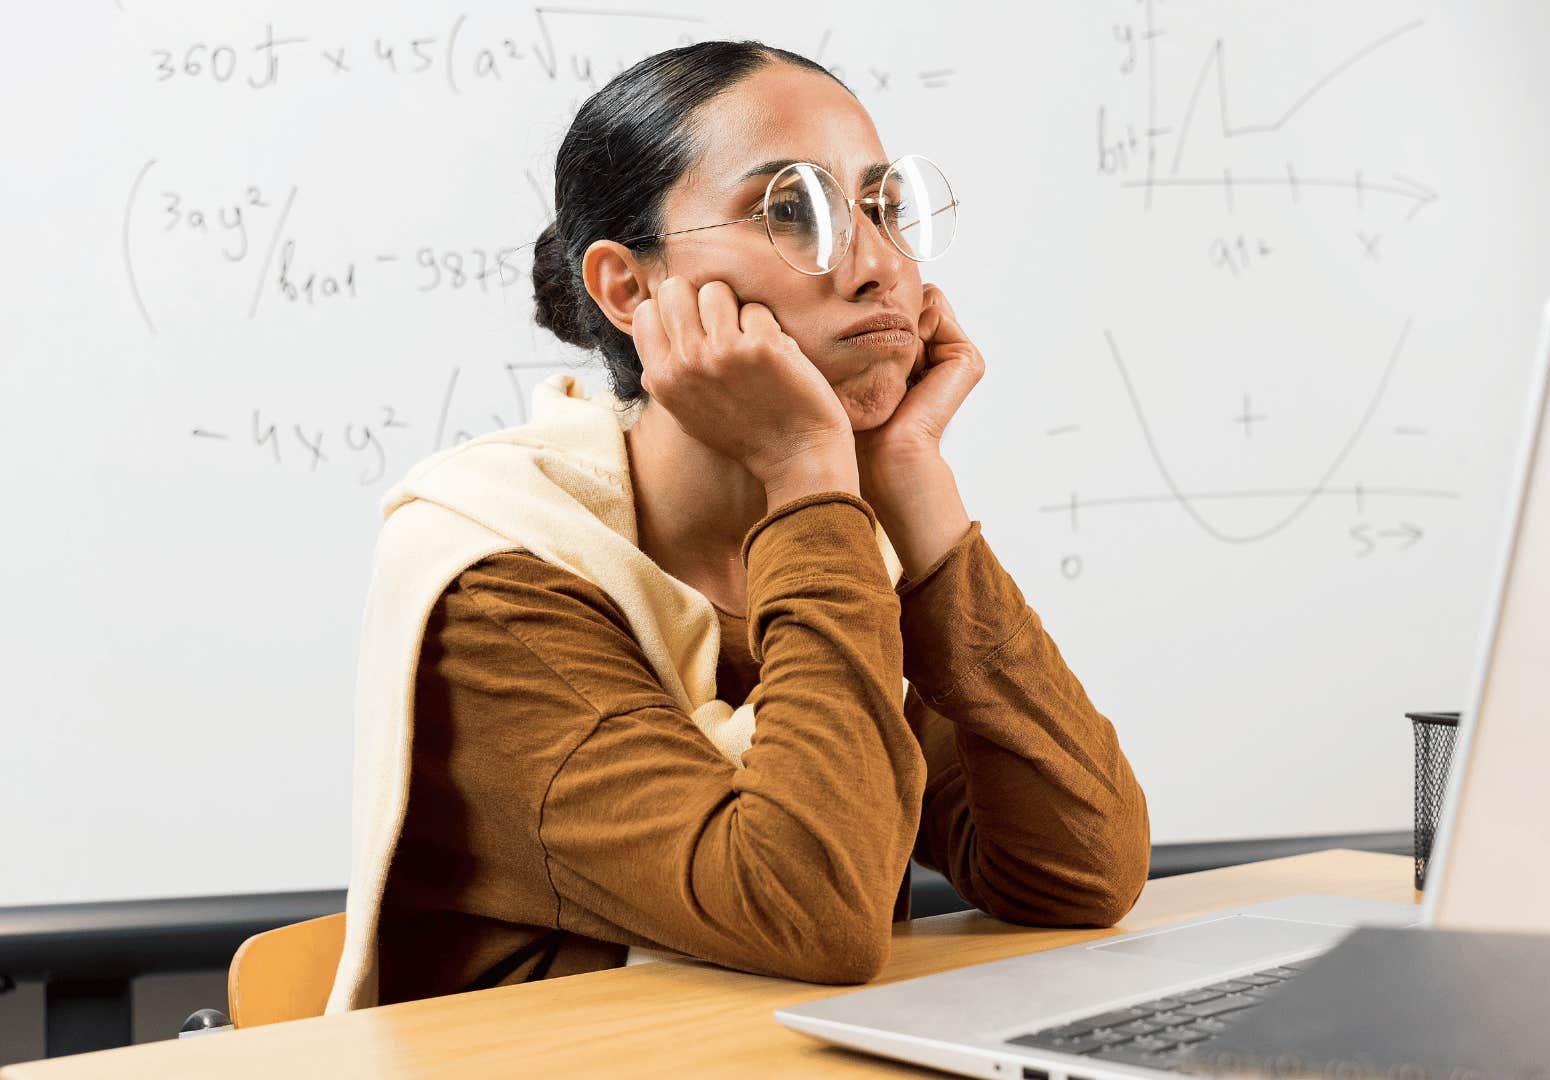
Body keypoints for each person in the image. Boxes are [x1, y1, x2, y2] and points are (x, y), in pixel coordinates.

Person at [327, 39, 1150, 1011]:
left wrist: (914, 488)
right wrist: (807, 473)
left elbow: (1081, 868)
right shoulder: (496, 572)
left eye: (884, 209)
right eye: (793, 211)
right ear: (630, 288)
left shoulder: (841, 551)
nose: (882, 268)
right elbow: (814, 908)